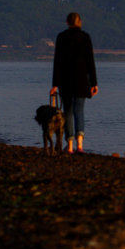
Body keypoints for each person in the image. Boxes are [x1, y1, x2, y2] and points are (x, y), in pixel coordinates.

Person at [50, 12, 99, 154]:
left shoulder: (61, 37)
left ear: (67, 22)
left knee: (68, 113)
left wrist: (55, 84)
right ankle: (80, 146)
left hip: (65, 80)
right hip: (82, 80)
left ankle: (70, 146)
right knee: (79, 111)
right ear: (80, 22)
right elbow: (90, 62)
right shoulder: (85, 37)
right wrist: (94, 83)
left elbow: (57, 62)